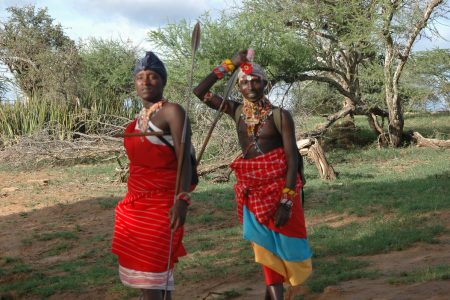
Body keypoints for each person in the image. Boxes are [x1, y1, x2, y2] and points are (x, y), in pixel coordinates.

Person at [193, 50, 312, 300]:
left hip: (281, 188)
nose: (251, 85)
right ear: (238, 85)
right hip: (252, 190)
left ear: (266, 85)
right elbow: (200, 91)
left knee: (287, 248)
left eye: (256, 80)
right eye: (245, 81)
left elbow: (292, 158)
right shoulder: (235, 110)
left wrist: (287, 201)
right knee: (264, 250)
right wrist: (230, 64)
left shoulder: (280, 116)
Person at [112, 51, 195, 300]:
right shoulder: (138, 119)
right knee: (156, 277)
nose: (146, 82)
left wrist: (182, 200)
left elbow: (184, 161)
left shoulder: (173, 112)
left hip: (163, 204)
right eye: (140, 77)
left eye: (152, 77)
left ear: (163, 81)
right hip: (135, 205)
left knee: (152, 276)